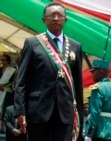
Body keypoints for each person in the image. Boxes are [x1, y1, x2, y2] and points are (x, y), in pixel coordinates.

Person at [14, 2, 84, 141]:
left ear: (66, 19)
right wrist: (20, 111)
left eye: (60, 15)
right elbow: (20, 80)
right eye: (52, 15)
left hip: (65, 112)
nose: (56, 18)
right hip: (38, 111)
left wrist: (80, 114)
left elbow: (78, 83)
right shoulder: (32, 43)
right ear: (44, 20)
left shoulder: (75, 46)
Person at [85, 59, 111, 141]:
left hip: (99, 131)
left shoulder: (97, 88)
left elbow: (95, 113)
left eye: (94, 71)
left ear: (101, 71)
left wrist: (89, 133)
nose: (92, 74)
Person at [0, 54, 16, 133]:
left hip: (8, 93)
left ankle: (5, 128)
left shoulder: (12, 70)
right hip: (0, 92)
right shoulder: (0, 69)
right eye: (1, 60)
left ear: (8, 61)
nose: (2, 61)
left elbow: (13, 81)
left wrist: (4, 86)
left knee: (6, 110)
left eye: (4, 60)